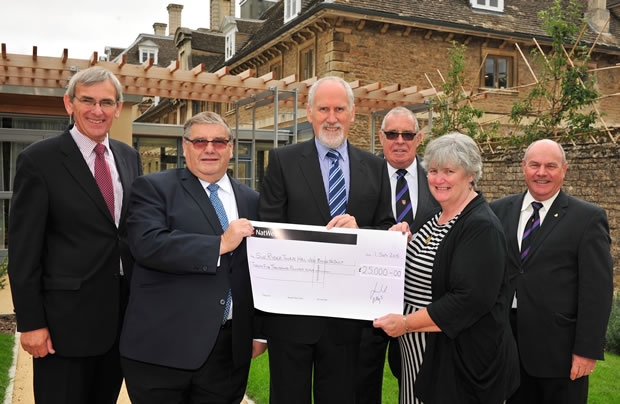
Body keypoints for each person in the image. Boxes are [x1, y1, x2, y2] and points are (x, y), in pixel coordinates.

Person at [7, 66, 142, 404]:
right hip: (62, 327)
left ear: (118, 107)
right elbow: (24, 251)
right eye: (88, 101)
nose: (98, 111)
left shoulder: (129, 157)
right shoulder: (39, 160)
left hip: (119, 320)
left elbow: (126, 233)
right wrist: (31, 323)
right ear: (69, 104)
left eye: (107, 102)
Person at [259, 76, 394, 403]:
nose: (331, 118)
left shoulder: (376, 168)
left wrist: (360, 234)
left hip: (348, 322)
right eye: (323, 109)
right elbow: (268, 232)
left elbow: (387, 228)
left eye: (339, 109)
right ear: (309, 113)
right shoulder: (282, 161)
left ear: (352, 114)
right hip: (292, 316)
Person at [119, 111, 265, 404]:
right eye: (199, 141)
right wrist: (219, 244)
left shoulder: (251, 200)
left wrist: (259, 332)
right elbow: (147, 244)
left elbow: (258, 270)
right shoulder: (153, 188)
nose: (209, 149)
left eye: (219, 142)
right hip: (162, 350)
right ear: (184, 147)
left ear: (231, 147)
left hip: (226, 354)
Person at [374, 132, 519, 403]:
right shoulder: (434, 218)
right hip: (418, 355)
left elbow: (468, 300)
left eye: (449, 171)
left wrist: (405, 323)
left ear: (470, 175)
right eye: (433, 170)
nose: (438, 179)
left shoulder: (480, 226)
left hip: (458, 363)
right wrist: (399, 245)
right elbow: (428, 265)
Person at [490, 139, 613, 404]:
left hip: (561, 353)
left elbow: (597, 291)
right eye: (534, 165)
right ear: (523, 167)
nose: (541, 172)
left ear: (564, 170)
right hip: (506, 346)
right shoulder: (497, 210)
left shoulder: (588, 218)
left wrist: (586, 351)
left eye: (550, 166)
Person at [356, 106, 439, 404]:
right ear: (381, 137)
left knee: (422, 385)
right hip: (371, 302)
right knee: (364, 383)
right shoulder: (361, 178)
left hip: (424, 304)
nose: (400, 140)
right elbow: (350, 229)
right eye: (392, 134)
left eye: (407, 134)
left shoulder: (438, 179)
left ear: (419, 139)